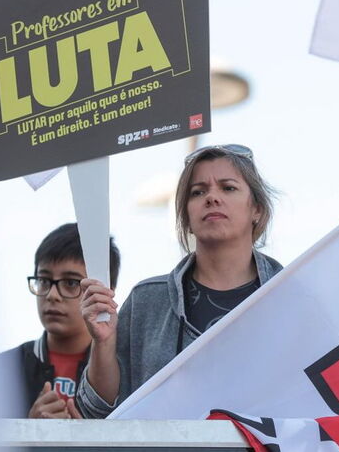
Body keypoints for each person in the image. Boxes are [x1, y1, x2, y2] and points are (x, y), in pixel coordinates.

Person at [76, 144, 282, 418]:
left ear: (256, 208)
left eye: (228, 188)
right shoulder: (147, 301)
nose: (212, 198)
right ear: (186, 215)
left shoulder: (290, 296)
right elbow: (97, 411)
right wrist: (103, 343)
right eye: (198, 192)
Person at [0, 223, 121, 418]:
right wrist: (27, 433)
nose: (52, 295)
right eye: (44, 281)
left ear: (106, 290)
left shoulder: (126, 368)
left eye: (71, 283)